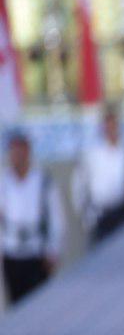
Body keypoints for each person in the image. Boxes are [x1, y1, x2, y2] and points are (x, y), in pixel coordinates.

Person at [1, 130, 64, 306]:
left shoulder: (43, 180)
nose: (17, 155)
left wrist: (53, 250)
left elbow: (56, 218)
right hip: (12, 251)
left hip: (36, 251)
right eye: (13, 151)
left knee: (39, 304)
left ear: (28, 151)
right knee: (16, 303)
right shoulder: (4, 183)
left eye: (20, 150)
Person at [72, 103, 124, 245]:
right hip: (100, 218)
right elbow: (79, 187)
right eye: (107, 122)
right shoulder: (91, 153)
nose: (111, 126)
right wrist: (87, 218)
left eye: (114, 122)